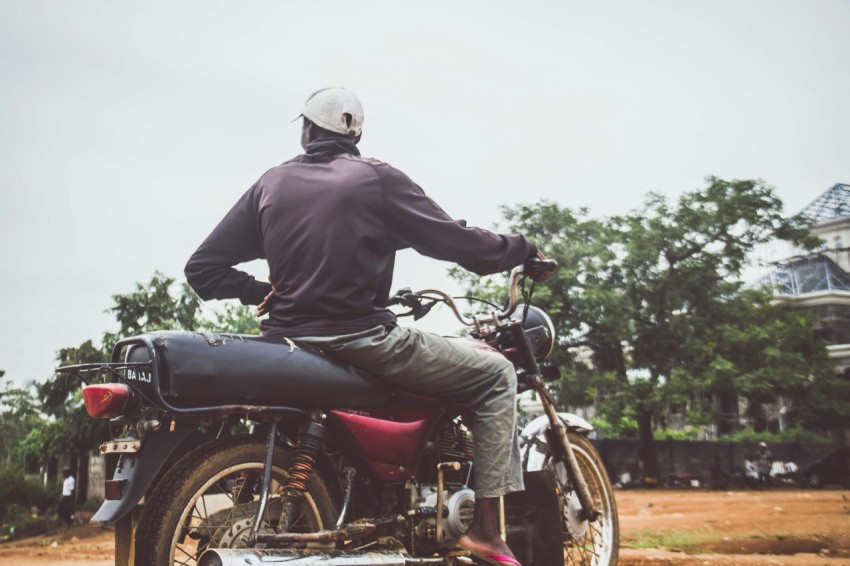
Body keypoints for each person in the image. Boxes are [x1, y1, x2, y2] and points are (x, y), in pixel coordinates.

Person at [185, 87, 548, 565]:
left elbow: (203, 268)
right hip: (359, 338)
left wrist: (259, 292)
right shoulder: (376, 179)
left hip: (286, 342)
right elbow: (460, 244)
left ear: (307, 130)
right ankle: (484, 530)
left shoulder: (270, 185)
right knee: (496, 374)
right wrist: (521, 249)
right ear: (355, 135)